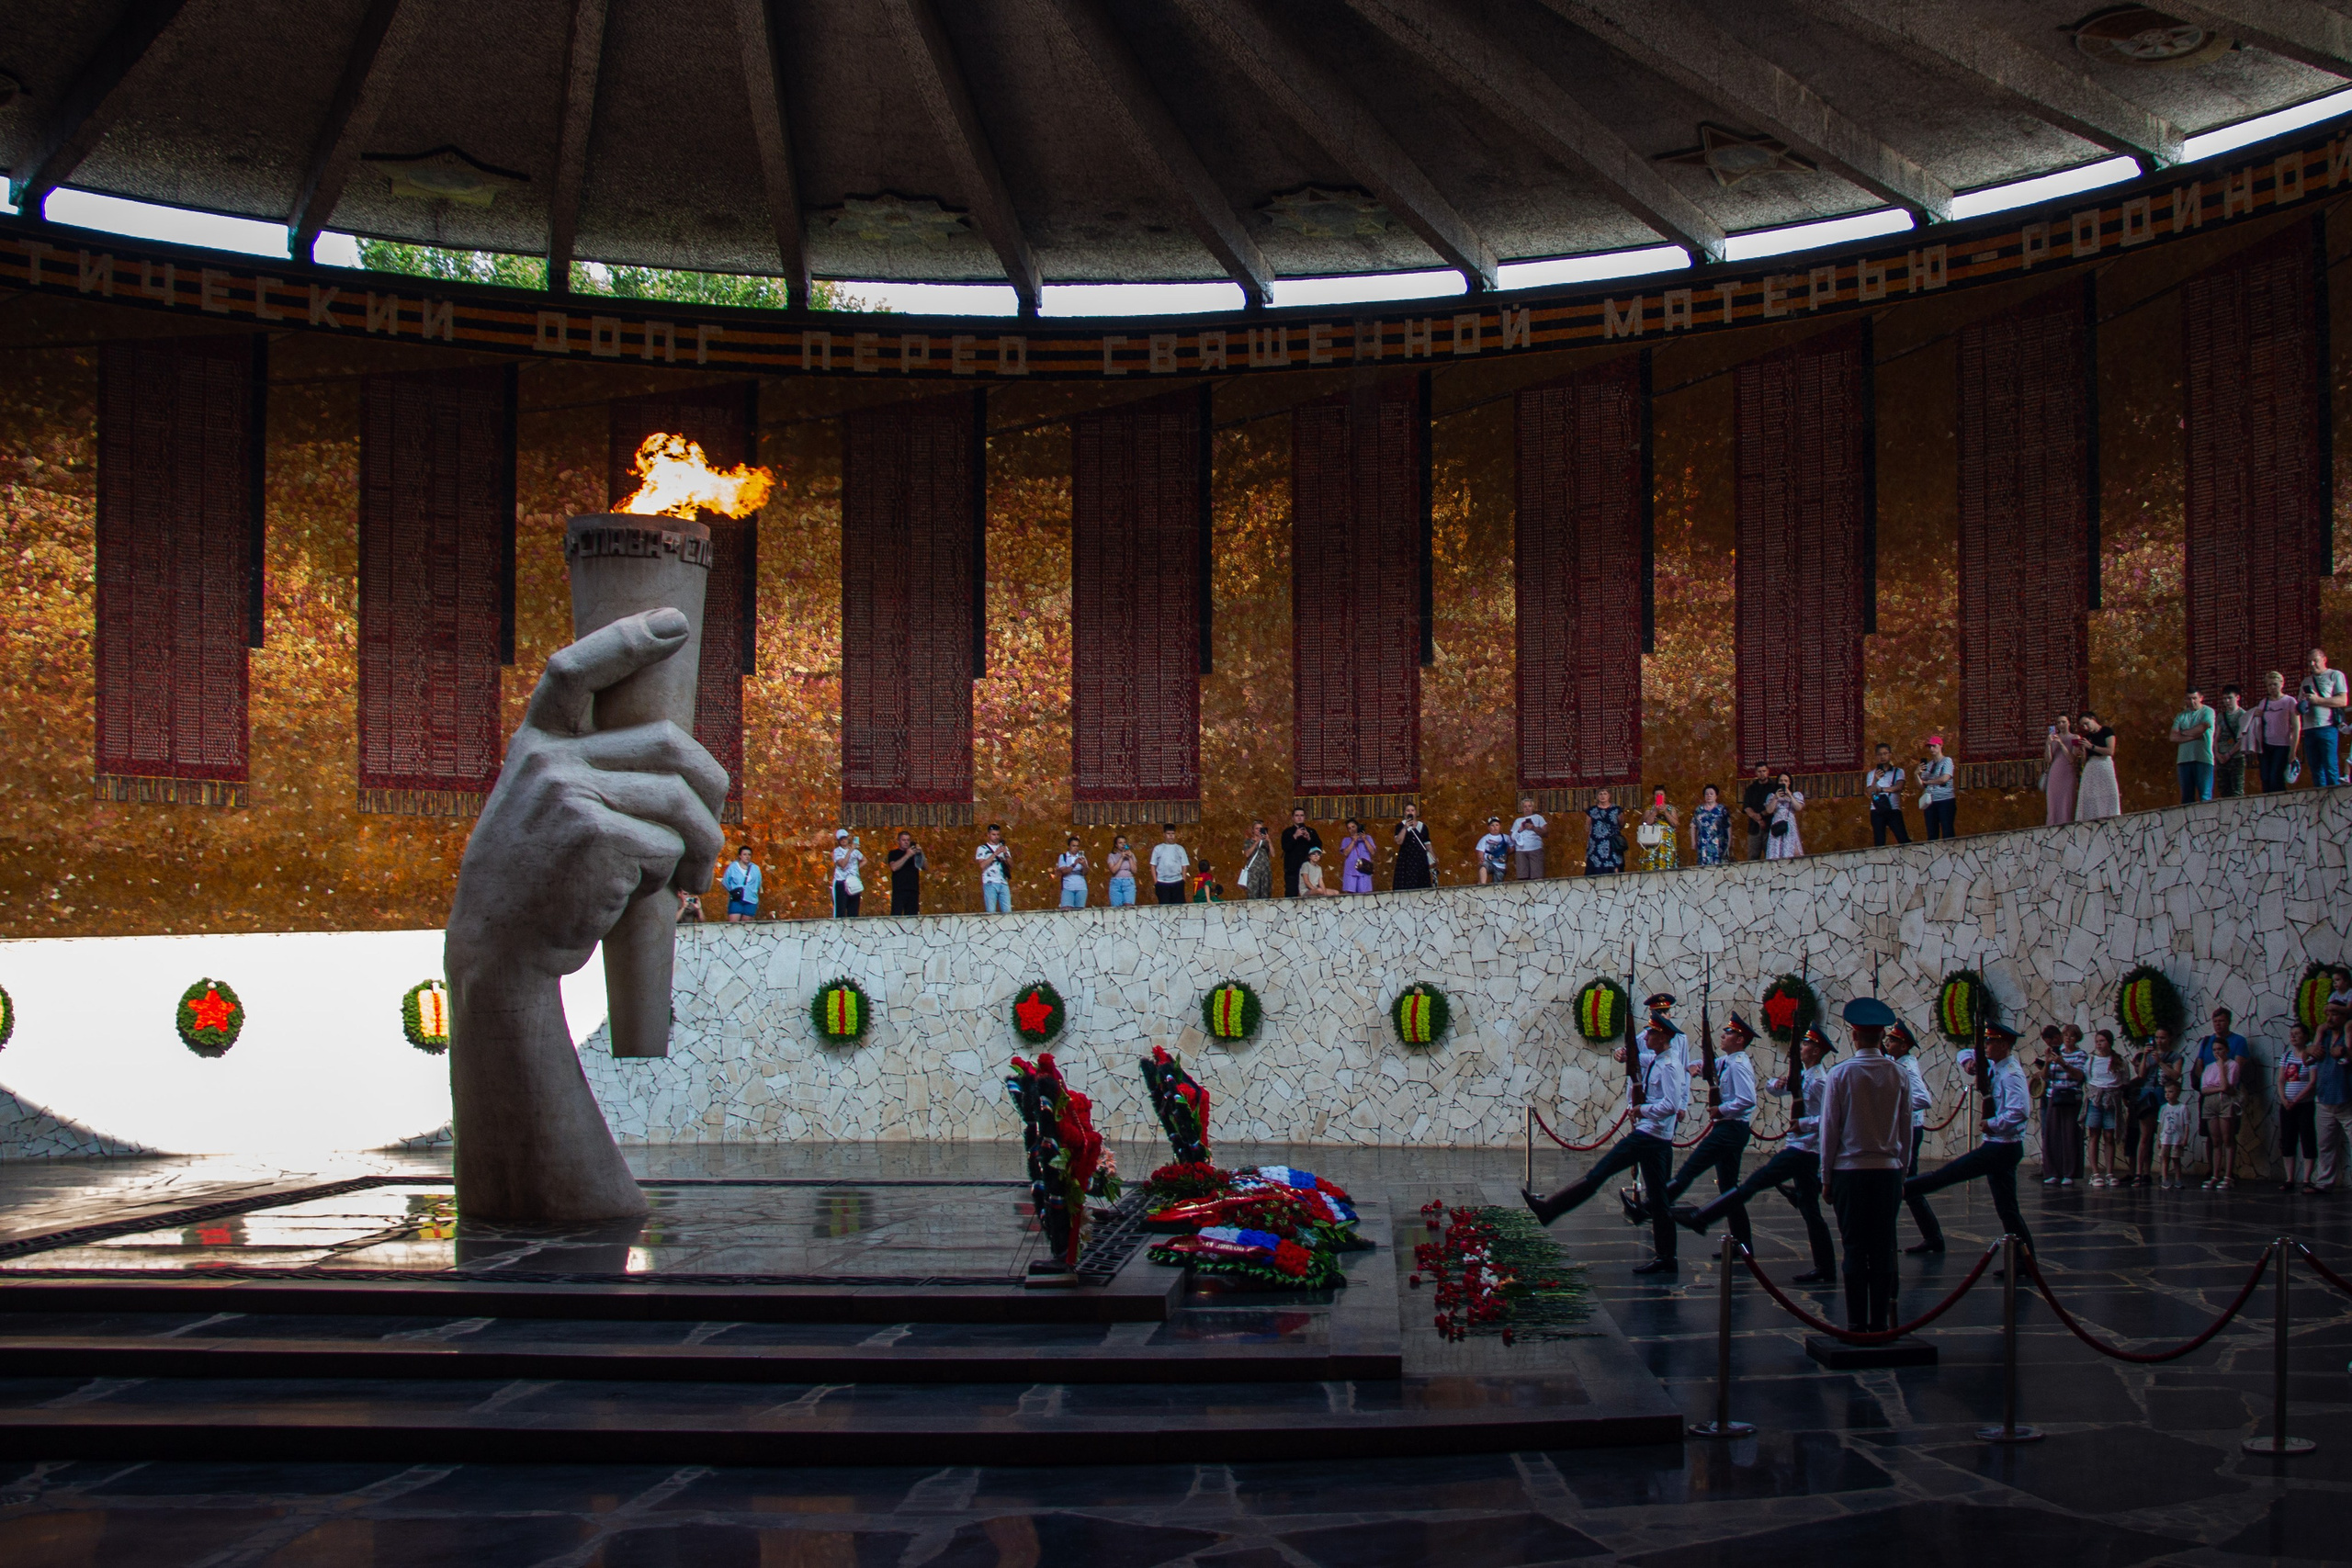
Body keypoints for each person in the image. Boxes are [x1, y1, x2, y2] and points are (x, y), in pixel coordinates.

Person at [1524, 1001, 1690, 1274]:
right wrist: (1626, 1054)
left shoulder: (1670, 1066)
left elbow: (1670, 1104)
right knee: (1659, 1200)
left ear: (1663, 1037)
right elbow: (1641, 1060)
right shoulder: (1660, 1059)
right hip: (1656, 1138)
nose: (1645, 1037)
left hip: (1651, 1136)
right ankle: (1667, 1257)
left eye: (1650, 1034)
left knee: (1600, 1173)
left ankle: (1550, 1209)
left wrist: (1642, 1109)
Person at [1672, 1026, 1839, 1285]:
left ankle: (1703, 1218)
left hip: (1805, 1150)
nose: (1801, 1048)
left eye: (1806, 1045)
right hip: (1799, 1147)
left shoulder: (1819, 1080)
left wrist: (1803, 1125)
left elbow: (1830, 1119)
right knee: (1809, 1209)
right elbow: (1774, 1090)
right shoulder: (1806, 1075)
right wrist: (1779, 1083)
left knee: (1755, 1181)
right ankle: (1826, 1267)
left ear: (1816, 1051)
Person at [1817, 998, 1913, 1335]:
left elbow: (1829, 1130)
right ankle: (1881, 1322)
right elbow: (1906, 1129)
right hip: (1887, 1171)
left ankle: (1857, 1322)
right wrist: (1902, 1171)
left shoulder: (1840, 1074)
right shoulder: (1898, 1074)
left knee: (1855, 1248)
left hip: (1849, 1172)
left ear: (1854, 1036)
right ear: (1881, 1036)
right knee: (1883, 1247)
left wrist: (1825, 1177)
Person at [1903, 1021, 2033, 1261]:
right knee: (2007, 1209)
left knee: (1950, 1173)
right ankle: (2025, 1262)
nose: (1985, 1046)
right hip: (1999, 1145)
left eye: (1990, 1041)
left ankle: (1903, 1189)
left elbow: (2019, 1111)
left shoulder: (2011, 1074)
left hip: (2002, 1146)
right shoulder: (1995, 1063)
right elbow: (1966, 1052)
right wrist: (1969, 1062)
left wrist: (1992, 1124)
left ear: (2004, 1045)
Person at [1622, 1007, 1757, 1237]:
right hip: (1731, 1128)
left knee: (1689, 1170)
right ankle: (1742, 1244)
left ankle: (1646, 1209)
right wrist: (1697, 1066)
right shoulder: (1729, 1061)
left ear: (1741, 1039)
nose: (1723, 1036)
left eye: (1729, 1033)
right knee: (1728, 1188)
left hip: (1731, 1128)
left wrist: (1721, 1109)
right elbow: (1709, 1065)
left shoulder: (1737, 1064)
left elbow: (1747, 1099)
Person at [2192, 1008, 2250, 1190]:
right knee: (2212, 1136)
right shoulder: (2207, 1042)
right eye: (2215, 1021)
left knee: (2228, 1136)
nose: (2218, 1024)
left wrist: (2219, 1083)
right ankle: (2214, 1171)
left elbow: (2233, 1077)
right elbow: (2201, 1072)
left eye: (2222, 1021)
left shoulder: (2238, 1042)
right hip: (2210, 1098)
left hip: (2227, 1097)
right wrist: (2212, 1085)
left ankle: (2228, 1174)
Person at [2121, 1025, 2182, 1187]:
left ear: (2169, 1039)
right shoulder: (2149, 1056)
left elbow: (2176, 1075)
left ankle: (2164, 1174)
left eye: (2162, 1038)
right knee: (2145, 1136)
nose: (2159, 1041)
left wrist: (2160, 1062)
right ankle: (2140, 1173)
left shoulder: (2175, 1056)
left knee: (2165, 1137)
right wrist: (2146, 1056)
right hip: (2148, 1096)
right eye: (2157, 1038)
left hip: (2165, 1096)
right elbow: (2141, 1075)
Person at [2035, 1024, 2085, 1186]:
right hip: (2054, 1097)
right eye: (2066, 1036)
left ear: (2076, 1038)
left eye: (2071, 1036)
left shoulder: (2080, 1055)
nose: (2068, 1039)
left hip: (2071, 1097)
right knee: (2052, 1136)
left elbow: (2079, 1076)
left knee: (2069, 1136)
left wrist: (2064, 1064)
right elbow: (2044, 1076)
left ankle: (2069, 1172)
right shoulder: (2057, 1053)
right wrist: (2048, 1062)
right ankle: (2053, 1172)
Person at [2312, 997, 2352, 1190]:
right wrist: (2312, 1047)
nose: (2330, 1018)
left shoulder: (2349, 1034)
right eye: (2328, 1014)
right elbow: (2307, 1057)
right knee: (2325, 1144)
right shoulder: (2324, 1036)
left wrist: (2345, 1053)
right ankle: (2324, 1182)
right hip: (2324, 1098)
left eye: (2335, 1014)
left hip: (2346, 1098)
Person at [2278, 1022, 2320, 1192]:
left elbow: (2312, 1081)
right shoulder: (2286, 1056)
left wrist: (2297, 1099)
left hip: (2304, 1104)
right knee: (2288, 1140)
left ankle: (2307, 1178)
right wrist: (2284, 1098)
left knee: (2307, 1138)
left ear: (2305, 1036)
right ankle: (2289, 1178)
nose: (2293, 1036)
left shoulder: (2310, 1057)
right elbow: (2281, 1079)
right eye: (2291, 1034)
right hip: (2287, 1105)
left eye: (2297, 1033)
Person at [2083, 1029, 2126, 1186]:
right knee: (2094, 1134)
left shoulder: (2118, 1060)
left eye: (2102, 1041)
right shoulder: (2091, 1061)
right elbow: (2087, 1078)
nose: (2099, 1044)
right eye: (2097, 1041)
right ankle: (2095, 1173)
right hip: (2096, 1099)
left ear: (2109, 1042)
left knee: (2109, 1136)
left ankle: (2109, 1172)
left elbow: (2123, 1079)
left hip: (2111, 1100)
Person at [2301, 647, 2346, 787]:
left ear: (2324, 659)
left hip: (2327, 726)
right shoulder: (2306, 681)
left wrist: (2318, 700)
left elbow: (2342, 701)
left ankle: (2334, 803)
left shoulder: (2335, 675)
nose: (2312, 664)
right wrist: (2302, 705)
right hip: (2309, 728)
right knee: (2315, 769)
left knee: (2330, 766)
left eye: (2315, 661)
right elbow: (2300, 704)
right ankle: (2320, 801)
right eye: (2309, 662)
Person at [2253, 671, 2301, 793]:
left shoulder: (2290, 701)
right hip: (2266, 745)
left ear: (2282, 684)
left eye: (2275, 684)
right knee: (2265, 778)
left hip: (2282, 745)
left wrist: (2293, 751)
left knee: (2276, 777)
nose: (2272, 688)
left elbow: (2296, 727)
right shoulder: (2264, 702)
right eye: (2269, 685)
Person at [2168, 687, 2215, 805]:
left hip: (2203, 758)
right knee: (2187, 797)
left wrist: (2183, 732)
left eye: (2194, 698)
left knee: (2205, 796)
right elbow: (2173, 737)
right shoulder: (2181, 716)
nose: (2192, 702)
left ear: (2201, 698)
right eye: (2189, 699)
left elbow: (2202, 728)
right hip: (2184, 760)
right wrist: (2193, 735)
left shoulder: (2208, 712)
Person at [2074, 711, 2120, 820]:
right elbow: (2085, 760)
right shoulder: (2088, 736)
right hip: (2091, 765)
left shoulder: (2106, 731)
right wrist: (2083, 750)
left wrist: (2092, 746)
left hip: (2104, 764)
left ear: (2093, 719)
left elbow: (2110, 751)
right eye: (2082, 725)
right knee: (2091, 795)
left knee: (2108, 792)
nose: (2085, 727)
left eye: (2087, 723)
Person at [1865, 742, 1910, 845]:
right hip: (1877, 809)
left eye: (1885, 753)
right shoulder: (1872, 774)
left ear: (1890, 754)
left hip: (1893, 808)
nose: (1883, 757)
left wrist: (1881, 789)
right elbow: (1870, 792)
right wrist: (1875, 780)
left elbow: (1899, 787)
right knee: (1879, 840)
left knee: (1902, 838)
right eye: (1880, 754)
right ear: (1876, 756)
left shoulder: (1898, 771)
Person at [2213, 685, 2253, 799]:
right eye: (2224, 698)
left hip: (2236, 757)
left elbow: (2242, 739)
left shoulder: (2243, 715)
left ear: (2237, 697)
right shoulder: (2221, 716)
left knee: (2237, 790)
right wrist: (2217, 753)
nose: (2227, 701)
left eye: (2229, 698)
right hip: (2222, 756)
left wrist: (2229, 754)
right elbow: (2217, 736)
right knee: (2224, 790)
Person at [2044, 716, 2082, 826]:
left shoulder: (2075, 737)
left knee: (2067, 802)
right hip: (2055, 773)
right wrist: (2048, 744)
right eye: (2058, 722)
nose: (2061, 724)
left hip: (2067, 773)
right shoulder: (2053, 737)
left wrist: (2061, 743)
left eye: (2063, 722)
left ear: (2069, 723)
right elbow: (2048, 759)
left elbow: (2072, 758)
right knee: (2053, 803)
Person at [1917, 737, 1957, 840]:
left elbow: (1944, 778)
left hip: (1945, 799)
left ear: (1940, 746)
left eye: (1934, 746)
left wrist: (1928, 782)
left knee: (1947, 830)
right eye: (1930, 746)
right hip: (1930, 801)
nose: (1931, 749)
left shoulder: (1947, 760)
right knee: (1932, 832)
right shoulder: (1929, 765)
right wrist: (1916, 774)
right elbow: (1921, 785)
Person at [2157, 1082, 2196, 1188]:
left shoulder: (2182, 1108)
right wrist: (2158, 1139)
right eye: (2166, 1092)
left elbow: (2186, 1124)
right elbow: (2160, 1124)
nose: (2167, 1094)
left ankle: (2178, 1179)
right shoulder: (2163, 1108)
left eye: (2170, 1092)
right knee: (2165, 1159)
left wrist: (2185, 1138)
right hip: (2165, 1138)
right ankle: (2164, 1178)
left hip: (2176, 1139)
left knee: (2176, 1159)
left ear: (2178, 1093)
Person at [1391, 806, 1435, 889]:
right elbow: (1399, 841)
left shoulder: (1423, 827)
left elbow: (1428, 845)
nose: (1410, 812)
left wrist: (1433, 859)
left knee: (1421, 884)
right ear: (1404, 813)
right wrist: (1405, 827)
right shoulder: (1400, 826)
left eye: (1412, 810)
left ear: (1416, 812)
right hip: (1406, 859)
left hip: (1420, 859)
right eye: (1408, 810)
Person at [1634, 789, 1679, 872]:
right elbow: (1646, 823)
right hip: (1652, 840)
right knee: (1652, 859)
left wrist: (1665, 811)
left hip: (1666, 841)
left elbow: (1675, 823)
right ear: (1654, 797)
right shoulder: (1649, 808)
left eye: (1661, 794)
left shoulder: (1670, 808)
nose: (1659, 796)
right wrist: (1654, 812)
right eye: (1657, 795)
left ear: (1665, 796)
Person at [1763, 773, 1804, 860]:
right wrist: (1775, 798)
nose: (1783, 782)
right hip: (1777, 823)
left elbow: (1798, 808)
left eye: (1786, 781)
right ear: (1778, 782)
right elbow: (1769, 810)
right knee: (1776, 850)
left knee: (1792, 850)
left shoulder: (1796, 795)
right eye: (1781, 781)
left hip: (1790, 824)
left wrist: (1790, 795)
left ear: (1789, 783)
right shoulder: (1771, 796)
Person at [1282, 807, 1322, 897]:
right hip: (1293, 869)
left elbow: (1319, 848)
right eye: (1297, 815)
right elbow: (1285, 847)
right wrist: (1295, 836)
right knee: (1291, 895)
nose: (1299, 818)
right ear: (1292, 818)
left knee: (1311, 895)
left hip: (1309, 870)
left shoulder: (1311, 831)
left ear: (1304, 817)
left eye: (1301, 815)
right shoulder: (1287, 832)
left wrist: (1309, 838)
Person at [1583, 789, 1624, 875]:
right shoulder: (1592, 810)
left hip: (1612, 843)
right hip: (1596, 843)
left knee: (1614, 865)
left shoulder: (1616, 809)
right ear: (1597, 796)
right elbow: (1588, 827)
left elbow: (1621, 824)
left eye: (1605, 794)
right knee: (1596, 868)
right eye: (1600, 794)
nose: (1602, 796)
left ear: (1609, 796)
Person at [975, 824, 1014, 913]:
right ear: (988, 835)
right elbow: (982, 865)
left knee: (1007, 911)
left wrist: (1006, 854)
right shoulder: (982, 848)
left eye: (998, 835)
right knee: (991, 911)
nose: (996, 837)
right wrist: (995, 854)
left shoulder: (1004, 848)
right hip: (990, 882)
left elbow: (1011, 865)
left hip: (1003, 882)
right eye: (994, 835)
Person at [1149, 824, 1191, 906]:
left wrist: (1183, 880)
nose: (1171, 836)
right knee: (1164, 908)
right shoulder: (1158, 848)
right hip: (1162, 882)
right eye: (1168, 834)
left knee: (1179, 907)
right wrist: (1156, 882)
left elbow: (1184, 865)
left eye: (1173, 834)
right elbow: (1153, 865)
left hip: (1177, 881)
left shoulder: (1180, 848)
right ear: (1164, 834)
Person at [1739, 764, 1774, 861]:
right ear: (1756, 773)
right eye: (1759, 771)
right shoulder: (1751, 789)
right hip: (1754, 828)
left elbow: (1775, 807)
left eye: (1764, 771)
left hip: (1770, 828)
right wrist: (1758, 820)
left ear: (1768, 771)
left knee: (1771, 857)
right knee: (1753, 857)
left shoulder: (1774, 787)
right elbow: (1746, 808)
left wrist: (1762, 814)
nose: (1762, 774)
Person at [1510, 795, 1548, 881]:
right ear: (1522, 809)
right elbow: (1512, 837)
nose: (1527, 808)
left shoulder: (1538, 818)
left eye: (1529, 806)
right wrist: (1520, 829)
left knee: (1537, 877)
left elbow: (1546, 833)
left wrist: (1533, 828)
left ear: (1533, 807)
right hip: (1521, 850)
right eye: (1525, 807)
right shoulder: (1517, 821)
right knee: (1522, 878)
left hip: (1535, 849)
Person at [1692, 784, 1731, 867]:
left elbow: (1728, 825)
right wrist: (1693, 841)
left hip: (1718, 842)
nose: (1709, 795)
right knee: (1703, 864)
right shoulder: (1699, 809)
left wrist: (1730, 841)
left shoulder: (1721, 809)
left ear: (1716, 796)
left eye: (1711, 794)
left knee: (1718, 864)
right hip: (1703, 842)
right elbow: (1693, 825)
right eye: (1706, 794)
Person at [888, 830, 923, 916]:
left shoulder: (915, 854)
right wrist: (907, 855)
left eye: (908, 840)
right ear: (899, 841)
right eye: (904, 840)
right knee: (896, 915)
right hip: (899, 890)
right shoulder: (893, 853)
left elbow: (925, 866)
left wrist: (921, 853)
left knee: (912, 917)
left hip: (913, 890)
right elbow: (894, 867)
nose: (906, 842)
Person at [1339, 818, 1377, 895]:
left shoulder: (1368, 838)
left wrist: (1365, 840)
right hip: (1350, 871)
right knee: (1350, 894)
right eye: (1349, 828)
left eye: (1353, 827)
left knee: (1364, 895)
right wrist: (1353, 841)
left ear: (1358, 827)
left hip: (1364, 871)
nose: (1352, 829)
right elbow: (1345, 853)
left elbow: (1372, 852)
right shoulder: (1346, 840)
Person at [723, 845, 762, 922]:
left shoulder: (755, 868)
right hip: (737, 898)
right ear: (740, 856)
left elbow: (758, 883)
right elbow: (725, 882)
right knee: (734, 923)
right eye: (744, 854)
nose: (747, 856)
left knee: (746, 924)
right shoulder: (733, 867)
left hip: (751, 899)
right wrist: (733, 890)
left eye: (749, 854)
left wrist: (752, 891)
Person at [831, 830, 865, 918]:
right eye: (841, 839)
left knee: (853, 910)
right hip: (841, 881)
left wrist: (855, 870)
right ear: (838, 840)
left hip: (853, 882)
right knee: (840, 911)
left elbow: (864, 860)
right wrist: (850, 850)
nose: (843, 840)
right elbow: (843, 864)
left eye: (845, 838)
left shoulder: (855, 851)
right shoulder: (837, 851)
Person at [1238, 819, 1272, 900]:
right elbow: (1247, 854)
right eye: (1257, 828)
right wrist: (1256, 842)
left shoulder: (1265, 842)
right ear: (1253, 830)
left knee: (1265, 895)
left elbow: (1273, 854)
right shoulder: (1248, 841)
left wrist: (1269, 841)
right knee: (1253, 896)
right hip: (1253, 873)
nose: (1259, 830)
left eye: (1261, 828)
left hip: (1265, 871)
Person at [1055, 835, 1091, 908]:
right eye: (1073, 846)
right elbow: (1064, 871)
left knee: (1080, 911)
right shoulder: (1063, 856)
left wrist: (1084, 865)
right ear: (1069, 846)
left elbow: (1085, 873)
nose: (1075, 848)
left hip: (1081, 887)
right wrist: (1074, 864)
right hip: (1068, 887)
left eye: (1077, 846)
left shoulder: (1082, 857)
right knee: (1066, 910)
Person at [1476, 816, 1511, 885]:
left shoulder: (1506, 838)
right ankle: (1482, 884)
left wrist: (1506, 854)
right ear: (1488, 828)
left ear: (1500, 826)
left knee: (1497, 885)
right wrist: (1481, 858)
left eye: (1497, 825)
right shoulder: (1485, 838)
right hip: (1489, 862)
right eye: (1492, 825)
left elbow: (1512, 847)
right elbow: (1480, 851)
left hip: (1500, 865)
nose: (1495, 827)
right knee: (1483, 866)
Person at [1105, 834, 1138, 908]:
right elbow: (1113, 870)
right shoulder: (1112, 856)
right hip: (1116, 882)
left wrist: (1129, 857)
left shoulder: (1131, 855)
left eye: (1124, 842)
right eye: (1120, 843)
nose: (1123, 844)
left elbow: (1134, 870)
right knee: (1117, 908)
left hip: (1128, 882)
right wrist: (1121, 858)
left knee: (1128, 906)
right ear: (1116, 845)